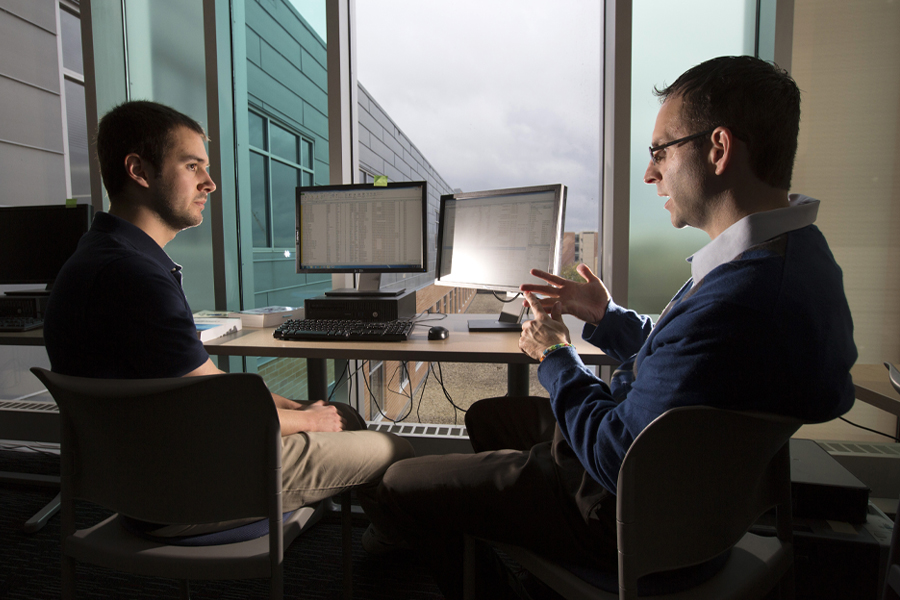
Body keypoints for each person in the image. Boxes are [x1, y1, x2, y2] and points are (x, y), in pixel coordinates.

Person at [363, 56, 857, 599]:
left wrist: (555, 356)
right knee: (488, 415)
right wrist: (605, 315)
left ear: (718, 149)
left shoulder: (743, 295)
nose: (651, 173)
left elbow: (613, 454)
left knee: (394, 486)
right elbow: (698, 360)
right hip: (688, 495)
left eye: (660, 151)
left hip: (619, 513)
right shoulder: (796, 261)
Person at [43, 100, 414, 537]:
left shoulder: (95, 259)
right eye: (192, 166)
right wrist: (308, 420)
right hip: (196, 489)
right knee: (394, 448)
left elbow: (204, 384)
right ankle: (410, 557)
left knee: (342, 412)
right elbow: (220, 414)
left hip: (137, 477)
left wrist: (297, 407)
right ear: (139, 171)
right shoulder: (137, 277)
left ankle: (392, 541)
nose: (210, 183)